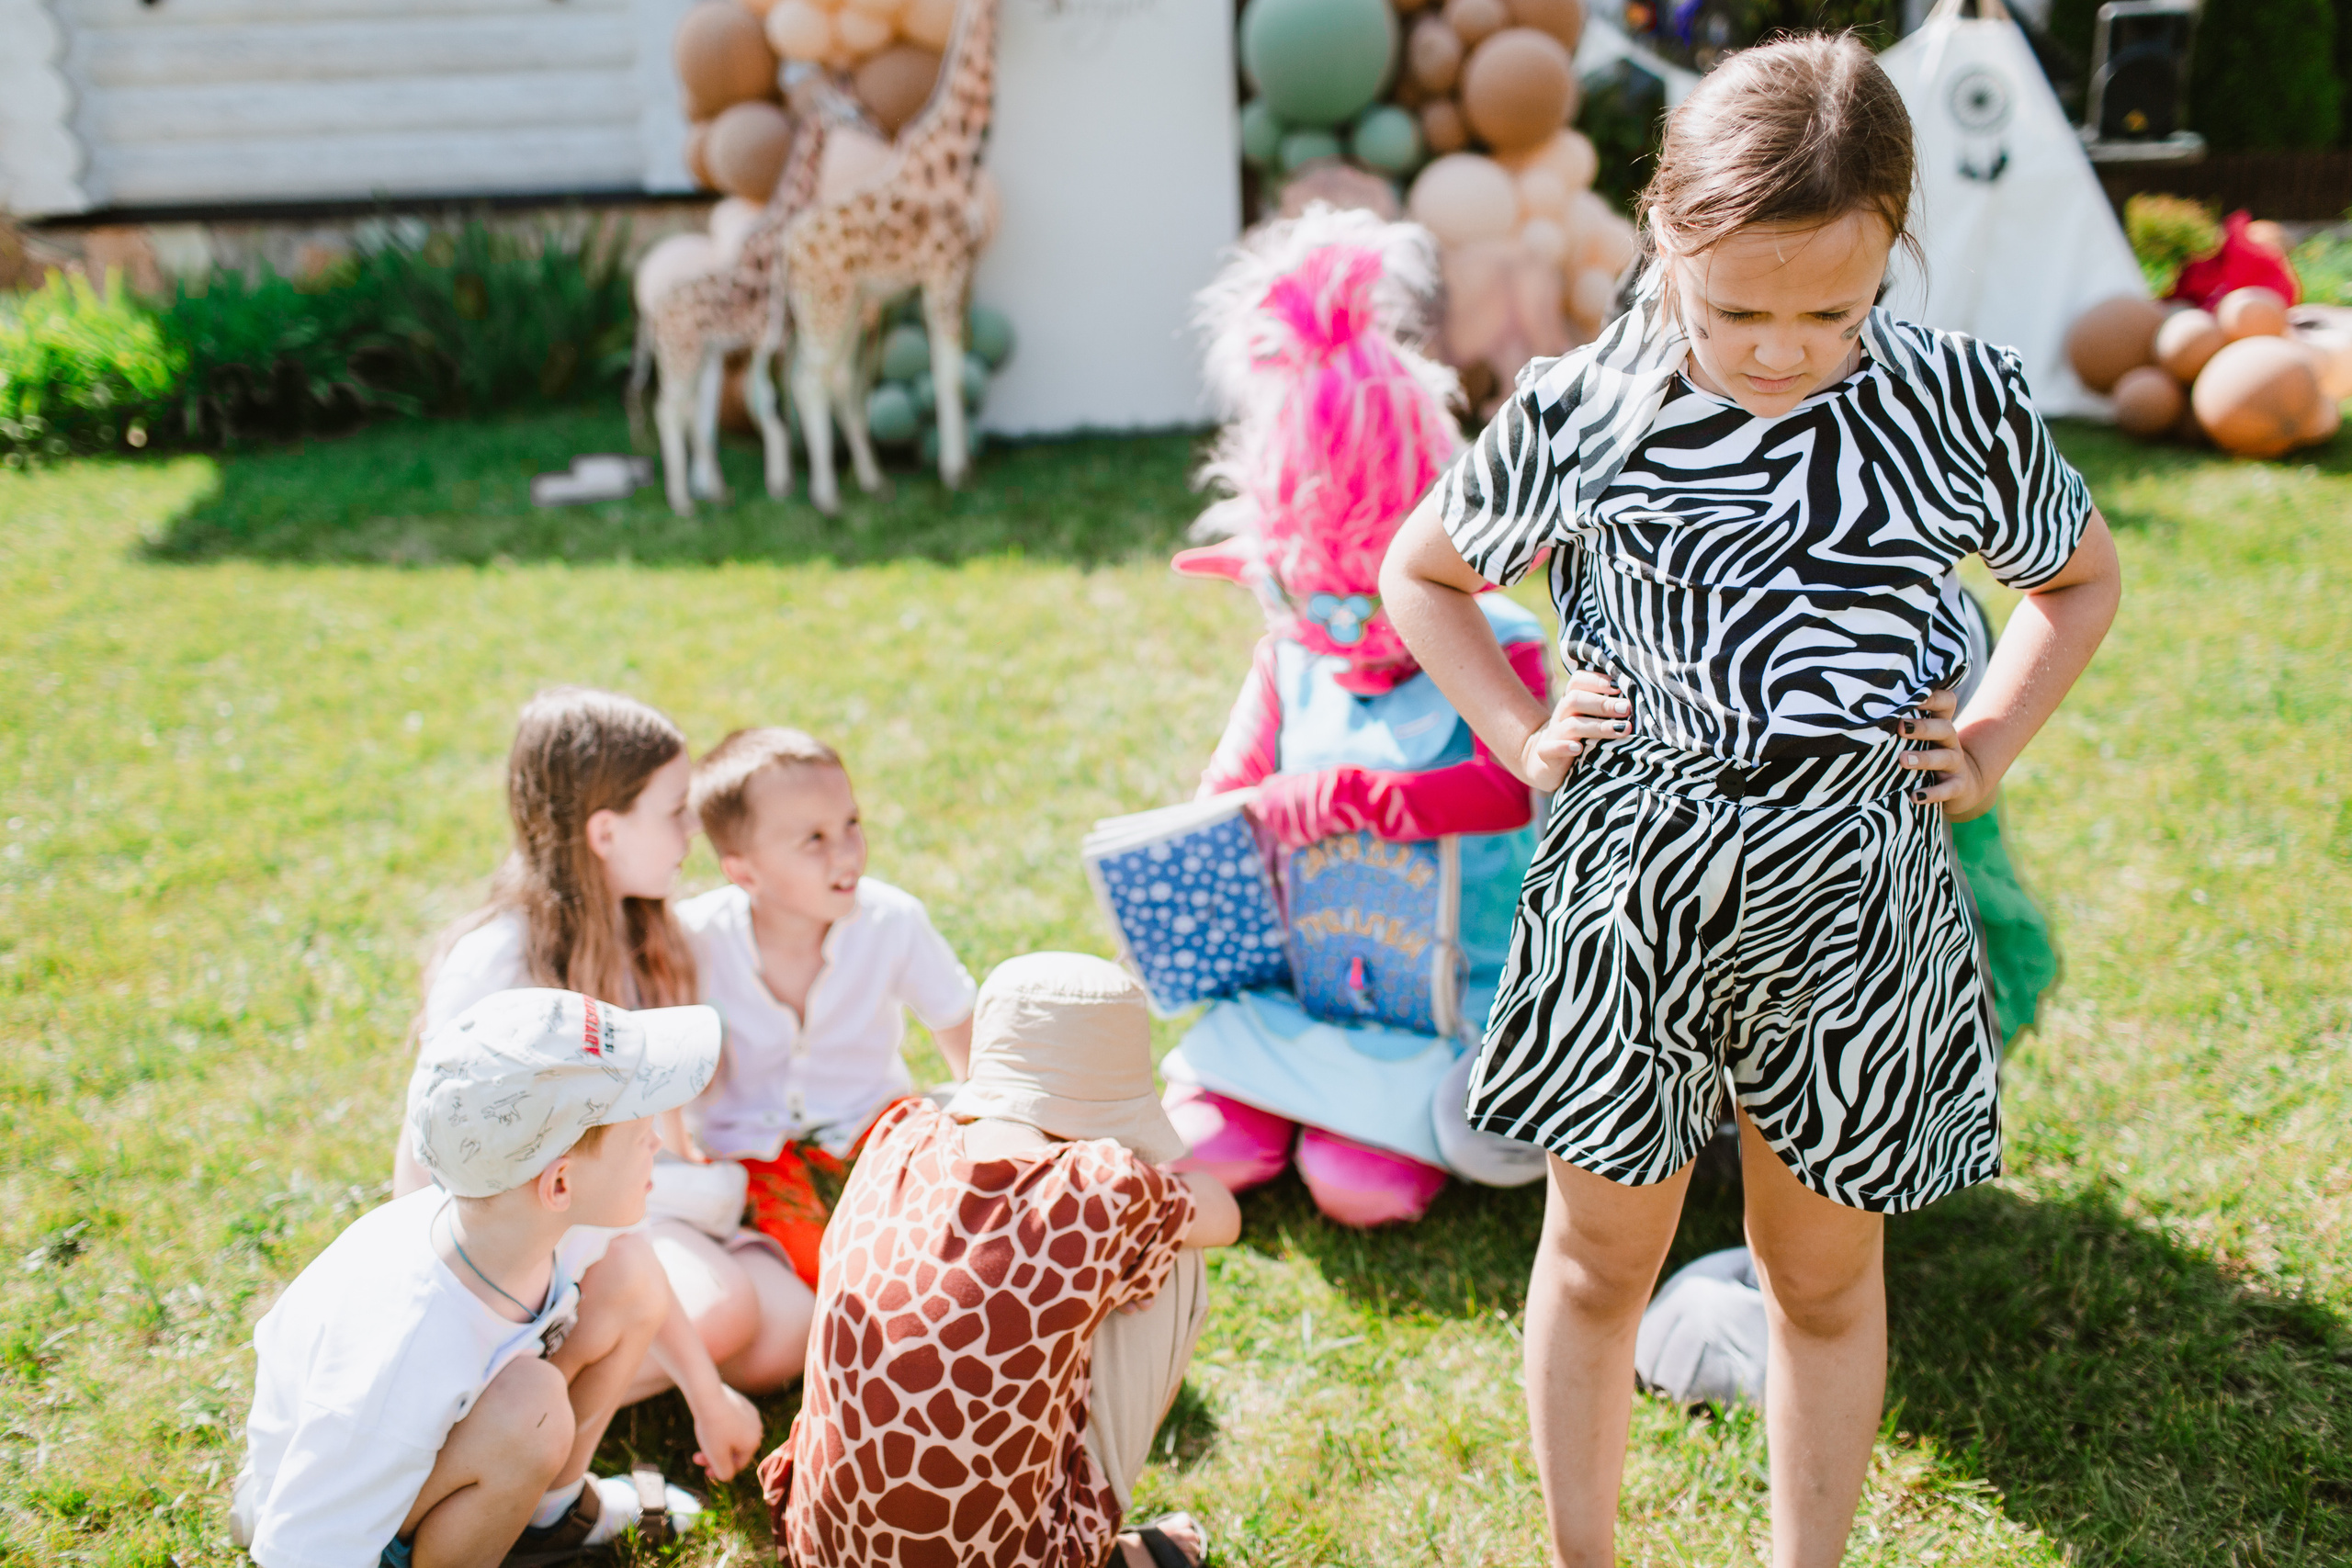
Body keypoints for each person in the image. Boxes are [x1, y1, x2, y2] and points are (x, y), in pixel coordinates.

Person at [1379, 34, 2120, 1568]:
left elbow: (2076, 577)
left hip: (1860, 908)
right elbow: (1424, 574)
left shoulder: (1954, 402)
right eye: (1736, 310)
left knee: (1826, 1279)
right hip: (1629, 903)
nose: (1780, 348)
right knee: (1596, 1259)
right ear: (1663, 233)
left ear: (1893, 249)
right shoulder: (1584, 404)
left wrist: (1987, 737)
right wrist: (1520, 725)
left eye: (1828, 310)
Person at [1155, 203, 1576, 1226]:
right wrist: (1204, 842)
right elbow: (1231, 786)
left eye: (1373, 605)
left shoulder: (1496, 643)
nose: (1351, 639)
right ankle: (1273, 1091)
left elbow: (1514, 787)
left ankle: (1365, 1115)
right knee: (1217, 1145)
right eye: (1315, 605)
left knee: (1356, 1184)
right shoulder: (1290, 653)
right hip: (1306, 975)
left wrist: (1358, 800)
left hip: (1448, 990)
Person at [232, 988, 764, 1567]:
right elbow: (300, 1549)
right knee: (529, 1408)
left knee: (629, 1274)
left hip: (438, 1449)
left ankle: (549, 1516)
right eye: (640, 1135)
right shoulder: (404, 1346)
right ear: (560, 1183)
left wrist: (709, 1398)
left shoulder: (532, 1221)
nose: (658, 1143)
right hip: (352, 1517)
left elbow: (641, 1285)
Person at [758, 953, 1241, 1568]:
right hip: (996, 1557)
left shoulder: (897, 1136)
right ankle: (1084, 1545)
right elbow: (1222, 1213)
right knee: (1177, 1245)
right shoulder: (1101, 1189)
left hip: (823, 1546)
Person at [390, 686, 806, 1397]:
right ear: (606, 833)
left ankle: (603, 1369)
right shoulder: (498, 962)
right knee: (729, 1305)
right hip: (544, 1228)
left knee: (793, 1323)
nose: (691, 833)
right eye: (675, 812)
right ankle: (515, 1401)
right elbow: (423, 1157)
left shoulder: (648, 931)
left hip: (642, 1202)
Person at [673, 726, 977, 1292]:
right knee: (832, 1269)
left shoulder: (891, 920)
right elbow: (668, 1072)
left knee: (938, 1241)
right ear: (744, 873)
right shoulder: (694, 941)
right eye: (813, 838)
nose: (846, 851)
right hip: (749, 1152)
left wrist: (983, 1131)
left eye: (851, 824)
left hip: (874, 1130)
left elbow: (959, 1027)